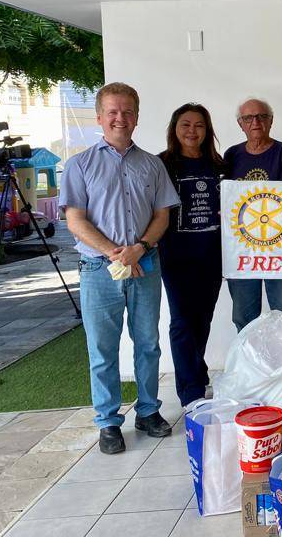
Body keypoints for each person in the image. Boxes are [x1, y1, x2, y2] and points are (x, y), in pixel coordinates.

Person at [60, 82, 179, 454]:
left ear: (137, 117)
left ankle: (148, 411)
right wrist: (116, 253)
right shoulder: (79, 165)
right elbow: (75, 219)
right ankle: (108, 422)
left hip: (145, 264)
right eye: (112, 111)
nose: (120, 118)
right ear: (99, 117)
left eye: (127, 111)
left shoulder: (152, 164)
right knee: (102, 349)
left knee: (148, 344)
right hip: (99, 270)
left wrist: (139, 248)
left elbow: (162, 216)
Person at [157, 103, 224, 408]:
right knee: (182, 321)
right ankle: (190, 392)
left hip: (213, 255)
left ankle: (197, 368)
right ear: (174, 128)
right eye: (185, 124)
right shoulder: (161, 165)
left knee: (203, 319)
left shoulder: (219, 165)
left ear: (207, 130)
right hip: (176, 257)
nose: (192, 131)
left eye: (199, 125)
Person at [223, 98, 282, 331]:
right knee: (244, 316)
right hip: (242, 248)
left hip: (280, 246)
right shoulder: (231, 155)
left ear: (271, 121)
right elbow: (226, 198)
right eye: (248, 118)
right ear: (240, 124)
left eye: (262, 116)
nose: (255, 122)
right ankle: (248, 355)